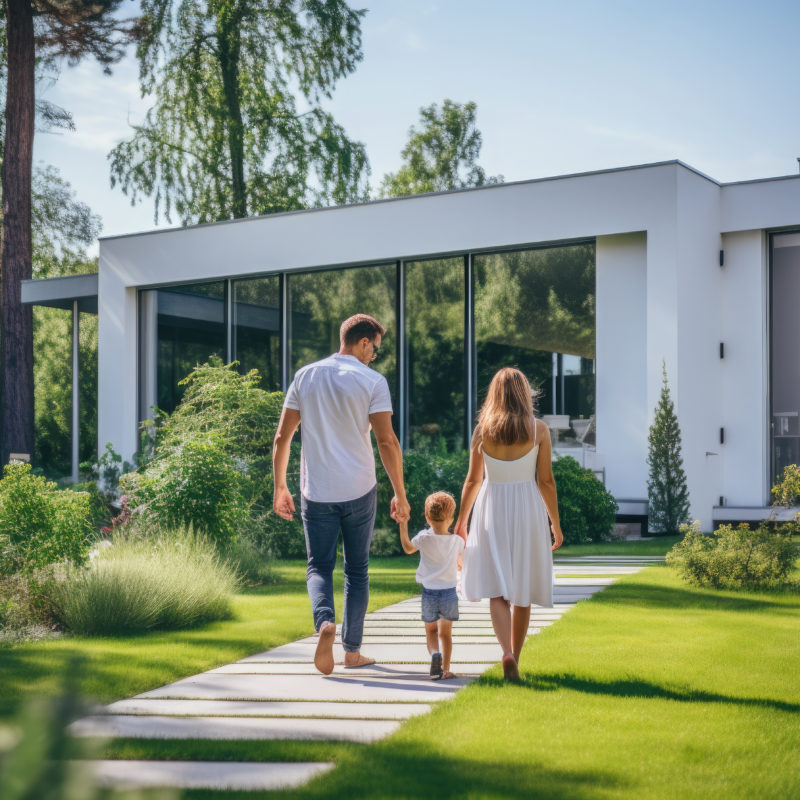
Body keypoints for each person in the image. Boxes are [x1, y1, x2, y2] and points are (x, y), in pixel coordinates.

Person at [272, 314, 410, 675]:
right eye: (375, 349)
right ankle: (351, 651)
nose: (374, 356)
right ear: (363, 342)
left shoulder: (306, 375)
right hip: (359, 489)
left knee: (318, 565)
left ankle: (324, 624)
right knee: (357, 570)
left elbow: (282, 437)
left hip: (316, 490)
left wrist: (280, 486)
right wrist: (400, 493)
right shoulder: (372, 381)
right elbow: (386, 441)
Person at [454, 367, 564, 682]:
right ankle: (515, 656)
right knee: (523, 588)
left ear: (495, 395)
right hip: (528, 509)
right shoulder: (538, 429)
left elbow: (473, 480)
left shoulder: (482, 431)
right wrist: (554, 523)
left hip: (491, 508)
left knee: (498, 589)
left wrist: (462, 522)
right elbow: (546, 481)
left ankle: (504, 652)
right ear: (524, 394)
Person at [398, 491, 463, 680]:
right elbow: (461, 563)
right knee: (446, 634)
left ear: (427, 516)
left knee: (431, 632)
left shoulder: (424, 538)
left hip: (429, 594)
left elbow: (408, 548)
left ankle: (435, 653)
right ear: (451, 518)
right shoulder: (457, 541)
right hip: (449, 594)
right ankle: (446, 669)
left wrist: (403, 525)